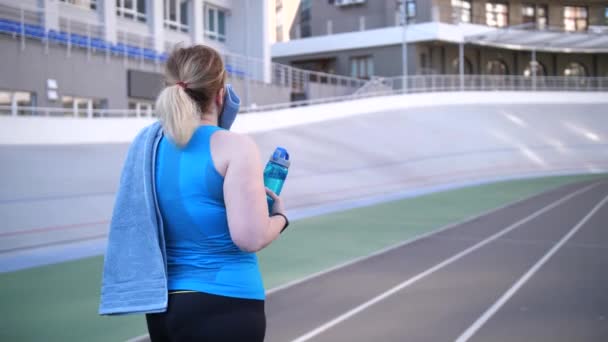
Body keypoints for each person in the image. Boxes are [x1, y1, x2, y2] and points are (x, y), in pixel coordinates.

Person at [145, 45, 289, 341]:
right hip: (225, 303)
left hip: (163, 307)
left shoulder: (150, 147)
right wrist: (281, 218)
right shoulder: (234, 146)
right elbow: (250, 238)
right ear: (221, 94)